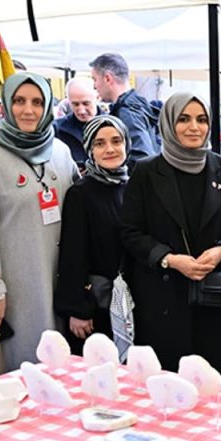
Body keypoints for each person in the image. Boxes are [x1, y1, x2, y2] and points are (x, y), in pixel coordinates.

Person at [120, 92, 221, 382]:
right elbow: (130, 232)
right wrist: (168, 259)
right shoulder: (146, 171)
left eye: (202, 120)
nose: (194, 127)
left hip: (214, 296)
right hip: (163, 299)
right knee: (168, 385)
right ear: (168, 123)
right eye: (184, 119)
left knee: (217, 383)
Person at [0, 73, 80, 375]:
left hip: (59, 284)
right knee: (20, 375)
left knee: (60, 375)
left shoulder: (61, 152)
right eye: (19, 101)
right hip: (14, 288)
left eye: (37, 102)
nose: (28, 110)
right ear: (6, 104)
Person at [55, 116, 130, 354]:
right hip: (97, 306)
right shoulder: (81, 193)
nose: (110, 149)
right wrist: (78, 309)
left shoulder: (133, 186)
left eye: (116, 141)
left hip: (130, 302)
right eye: (100, 143)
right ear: (89, 148)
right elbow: (72, 255)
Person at [89, 53, 160, 163]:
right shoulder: (139, 105)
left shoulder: (127, 113)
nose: (94, 86)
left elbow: (142, 158)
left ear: (107, 78)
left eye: (95, 79)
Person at [52, 77, 101, 170]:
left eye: (86, 103)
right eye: (75, 104)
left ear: (97, 98)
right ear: (68, 102)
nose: (81, 111)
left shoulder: (114, 126)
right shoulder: (56, 128)